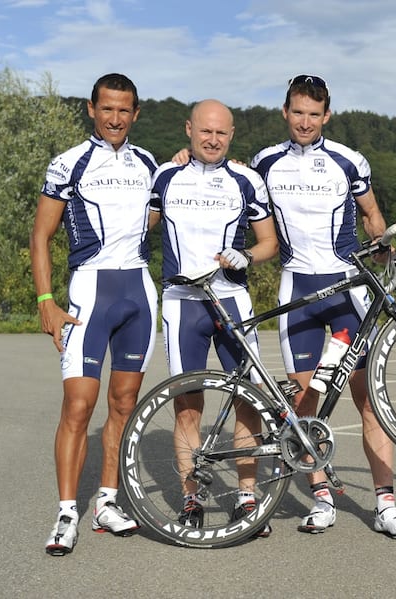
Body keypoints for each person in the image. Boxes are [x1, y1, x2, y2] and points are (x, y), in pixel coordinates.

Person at [250, 74, 396, 540]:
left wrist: (381, 247)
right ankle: (321, 497)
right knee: (305, 404)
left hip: (347, 290)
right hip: (297, 294)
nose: (305, 122)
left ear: (327, 115)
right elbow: (228, 184)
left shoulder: (348, 160)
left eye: (314, 114)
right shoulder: (263, 163)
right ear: (285, 112)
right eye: (297, 112)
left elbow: (371, 216)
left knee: (369, 402)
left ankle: (385, 502)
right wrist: (185, 158)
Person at [31, 73, 159, 556]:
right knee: (79, 406)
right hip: (89, 290)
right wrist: (47, 302)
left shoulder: (149, 163)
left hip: (138, 291)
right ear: (92, 108)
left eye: (124, 110)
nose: (115, 118)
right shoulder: (68, 163)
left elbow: (154, 213)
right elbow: (40, 236)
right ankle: (67, 512)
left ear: (136, 113)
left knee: (124, 403)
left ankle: (107, 500)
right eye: (107, 108)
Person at [152, 99, 278, 536]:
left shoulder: (247, 179)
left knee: (248, 398)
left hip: (231, 299)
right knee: (188, 405)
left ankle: (247, 496)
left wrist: (246, 255)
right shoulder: (164, 176)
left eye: (221, 133)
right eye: (205, 131)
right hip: (182, 301)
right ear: (189, 129)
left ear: (232, 134)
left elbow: (269, 243)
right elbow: (137, 227)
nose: (212, 139)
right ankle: (192, 499)